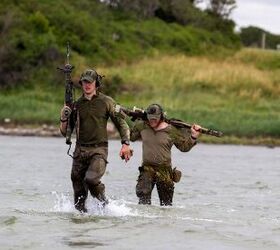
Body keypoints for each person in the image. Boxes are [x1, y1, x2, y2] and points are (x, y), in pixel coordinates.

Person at [60, 69, 132, 213]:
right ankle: (82, 222)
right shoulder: (76, 105)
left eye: (90, 82)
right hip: (80, 151)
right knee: (78, 192)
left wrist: (125, 144)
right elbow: (65, 132)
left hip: (99, 150)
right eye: (84, 82)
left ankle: (105, 204)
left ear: (96, 84)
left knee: (91, 180)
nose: (87, 85)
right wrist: (63, 118)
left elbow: (122, 123)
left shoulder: (107, 101)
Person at [130, 104, 201, 206]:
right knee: (143, 198)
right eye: (150, 118)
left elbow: (184, 148)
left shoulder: (171, 130)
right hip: (147, 169)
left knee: (166, 205)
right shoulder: (142, 126)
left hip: (165, 171)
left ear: (161, 117)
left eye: (155, 119)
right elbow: (131, 137)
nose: (152, 121)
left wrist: (193, 137)